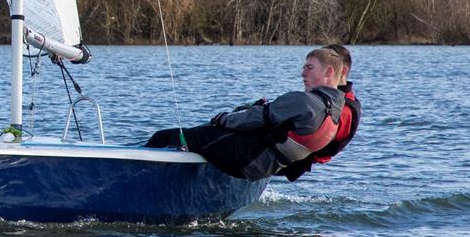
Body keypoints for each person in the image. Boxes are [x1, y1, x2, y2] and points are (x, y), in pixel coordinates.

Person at [145, 48, 345, 181]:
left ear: (328, 71)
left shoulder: (305, 102)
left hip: (243, 158)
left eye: (309, 68)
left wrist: (222, 119)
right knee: (196, 142)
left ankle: (139, 180)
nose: (303, 73)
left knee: (166, 137)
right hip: (260, 168)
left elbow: (254, 118)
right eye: (303, 68)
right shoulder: (336, 113)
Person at [278, 44, 361, 181]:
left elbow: (317, 141)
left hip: (289, 159)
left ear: (342, 71)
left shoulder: (344, 110)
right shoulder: (323, 100)